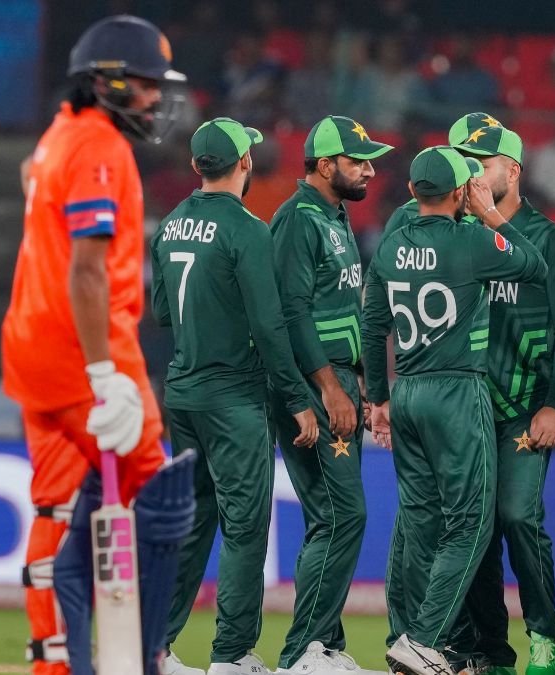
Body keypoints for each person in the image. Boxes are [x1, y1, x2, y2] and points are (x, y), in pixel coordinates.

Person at [0, 15, 193, 675]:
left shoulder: (58, 135)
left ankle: (54, 660)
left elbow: (31, 176)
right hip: (86, 351)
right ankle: (143, 656)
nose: (154, 98)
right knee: (160, 501)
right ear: (105, 82)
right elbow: (87, 270)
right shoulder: (101, 147)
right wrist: (106, 373)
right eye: (143, 83)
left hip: (34, 347)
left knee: (56, 505)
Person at [363, 146, 548, 675]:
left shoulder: (391, 245)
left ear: (413, 191)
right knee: (470, 522)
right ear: (460, 191)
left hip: (406, 391)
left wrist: (378, 398)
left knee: (421, 522)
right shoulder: (471, 240)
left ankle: (413, 636)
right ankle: (425, 639)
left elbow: (373, 327)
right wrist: (489, 214)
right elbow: (533, 264)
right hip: (456, 390)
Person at [154, 118, 319, 675]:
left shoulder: (171, 223)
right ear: (245, 162)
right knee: (245, 528)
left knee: (192, 523)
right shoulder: (247, 229)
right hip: (232, 399)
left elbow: (162, 311)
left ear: (196, 165)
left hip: (182, 395)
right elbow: (270, 327)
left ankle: (153, 648)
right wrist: (296, 397)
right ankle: (232, 655)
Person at [267, 115, 394, 674]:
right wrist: (328, 388)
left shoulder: (335, 215)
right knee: (343, 514)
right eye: (356, 160)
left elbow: (345, 307)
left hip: (340, 378)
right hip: (314, 382)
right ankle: (303, 652)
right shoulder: (298, 219)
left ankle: (323, 646)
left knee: (332, 516)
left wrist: (362, 378)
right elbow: (291, 312)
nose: (369, 170)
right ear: (324, 165)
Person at [454, 122, 555, 675]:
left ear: (513, 169)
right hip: (466, 409)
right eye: (463, 162)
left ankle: (545, 634)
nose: (472, 174)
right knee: (475, 528)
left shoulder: (549, 239)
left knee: (517, 515)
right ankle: (490, 651)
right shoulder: (453, 235)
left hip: (526, 405)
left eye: (482, 163)